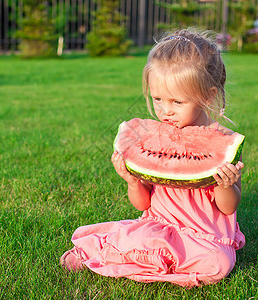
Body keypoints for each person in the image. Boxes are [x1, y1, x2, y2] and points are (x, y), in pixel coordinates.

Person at [60, 29, 245, 287]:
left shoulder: (222, 142)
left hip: (203, 237)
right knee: (146, 239)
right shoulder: (153, 139)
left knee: (220, 263)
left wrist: (227, 184)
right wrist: (132, 181)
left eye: (177, 102)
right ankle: (99, 249)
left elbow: (228, 207)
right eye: (158, 99)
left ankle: (135, 258)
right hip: (158, 227)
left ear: (208, 95)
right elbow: (141, 204)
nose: (165, 111)